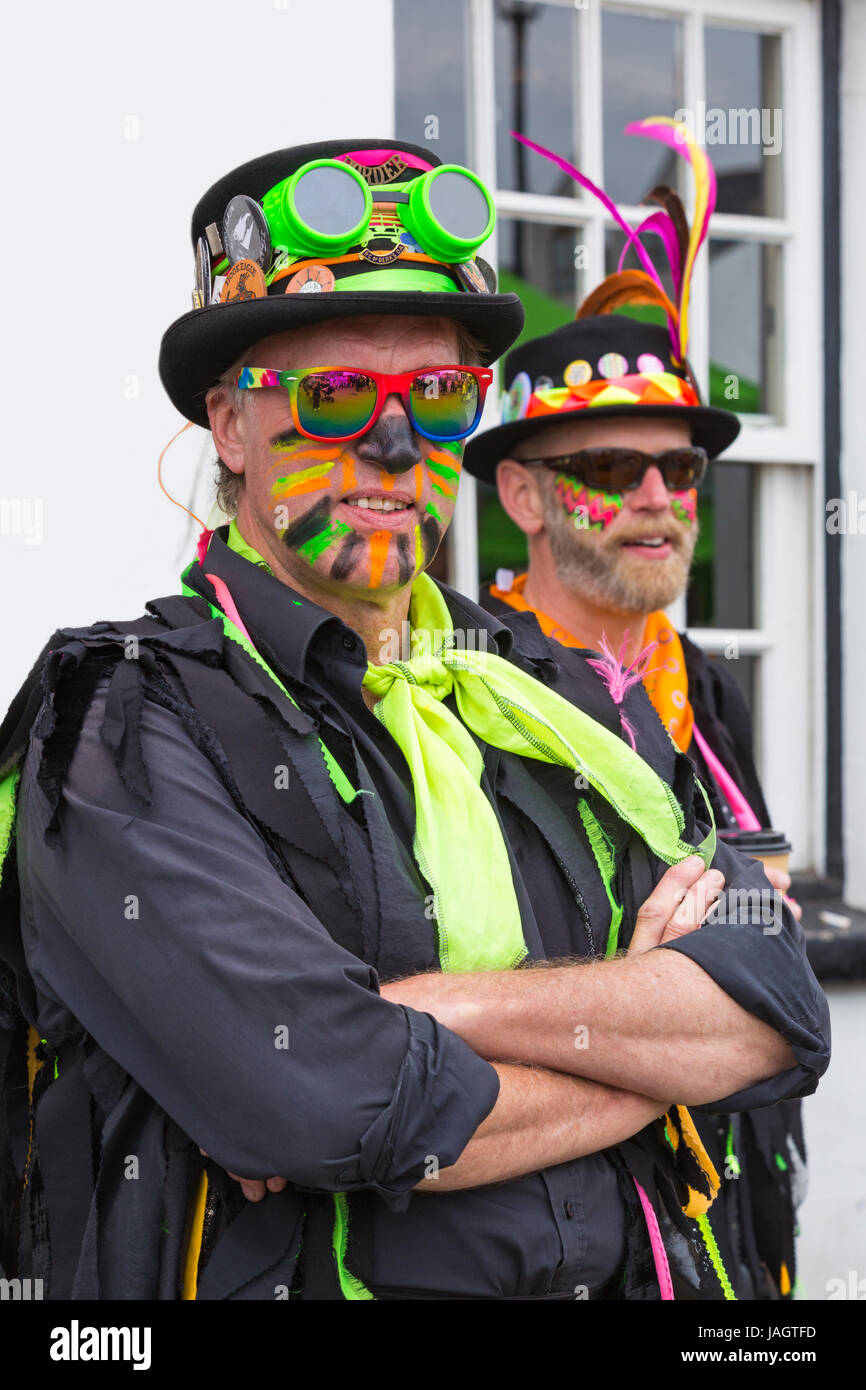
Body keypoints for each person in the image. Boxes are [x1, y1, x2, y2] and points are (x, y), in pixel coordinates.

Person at [0, 138, 828, 1302]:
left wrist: (439, 1013)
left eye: (435, 396)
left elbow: (777, 1006)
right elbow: (330, 1102)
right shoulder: (127, 723)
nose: (393, 445)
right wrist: (659, 1051)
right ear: (231, 430)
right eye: (333, 395)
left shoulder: (558, 693)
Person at [464, 119, 808, 1298]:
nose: (657, 499)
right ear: (522, 493)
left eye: (680, 469)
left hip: (729, 1201)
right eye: (611, 472)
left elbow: (776, 961)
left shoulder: (701, 683)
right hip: (545, 1220)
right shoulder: (458, 679)